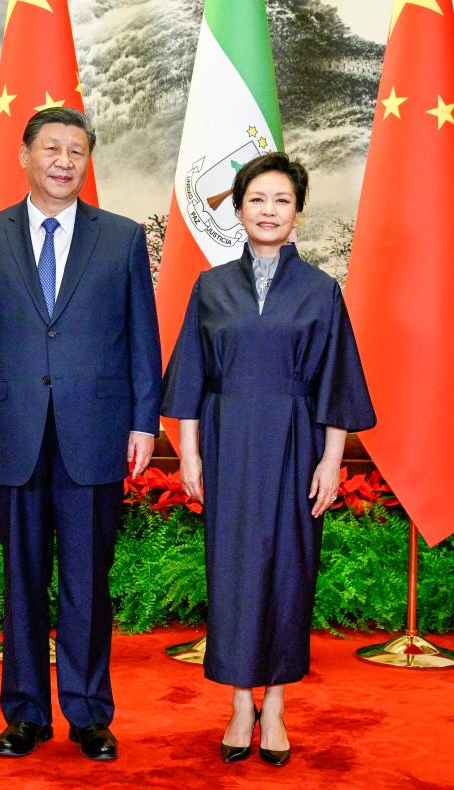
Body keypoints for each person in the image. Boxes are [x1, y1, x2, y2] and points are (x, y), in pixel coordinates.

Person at [0, 108, 161, 761]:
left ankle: (89, 713)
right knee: (21, 579)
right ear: (25, 156)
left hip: (94, 432)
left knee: (87, 582)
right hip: (12, 432)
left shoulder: (121, 238)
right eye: (52, 148)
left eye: (76, 150)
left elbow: (143, 338)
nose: (64, 161)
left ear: (87, 160)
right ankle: (25, 714)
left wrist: (143, 421)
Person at [161, 152, 375, 766]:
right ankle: (237, 703)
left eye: (282, 200)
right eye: (257, 199)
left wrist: (331, 461)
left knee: (288, 573)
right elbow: (191, 379)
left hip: (295, 445)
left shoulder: (320, 290)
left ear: (297, 213)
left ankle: (275, 704)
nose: (269, 210)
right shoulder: (210, 287)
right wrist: (190, 456)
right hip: (227, 444)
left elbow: (336, 383)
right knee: (230, 573)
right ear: (238, 209)